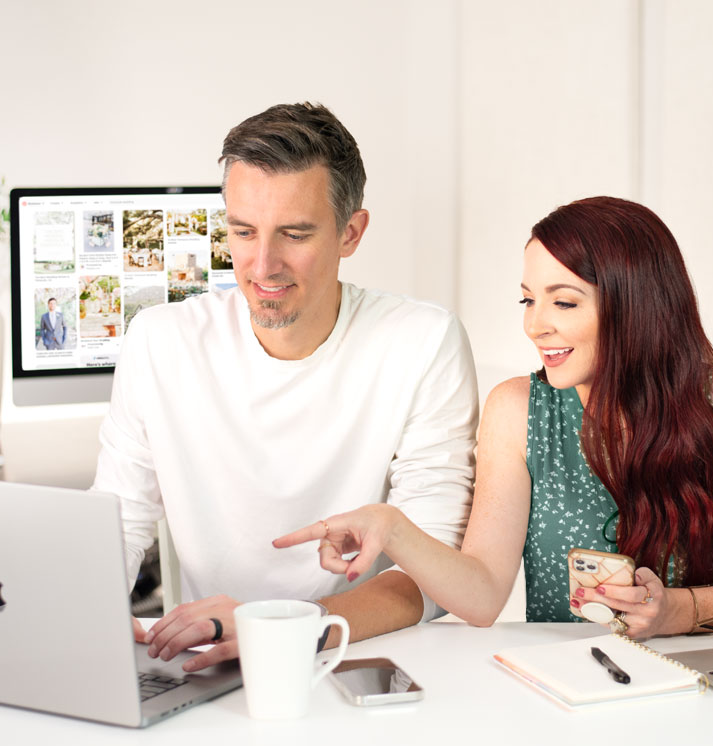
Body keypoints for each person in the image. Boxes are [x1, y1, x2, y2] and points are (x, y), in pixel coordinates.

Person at [275, 196, 713, 639]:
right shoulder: (517, 410)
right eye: (528, 300)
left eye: (564, 303)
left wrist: (676, 612)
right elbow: (481, 595)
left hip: (699, 680)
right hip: (566, 682)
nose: (536, 325)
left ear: (636, 306)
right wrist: (390, 528)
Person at [92, 102, 478, 670]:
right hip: (210, 665)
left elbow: (432, 572)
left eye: (294, 234)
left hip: (361, 658)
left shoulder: (422, 342)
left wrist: (284, 632)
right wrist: (84, 630)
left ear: (351, 232)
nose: (262, 265)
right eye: (243, 232)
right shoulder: (160, 340)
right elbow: (115, 526)